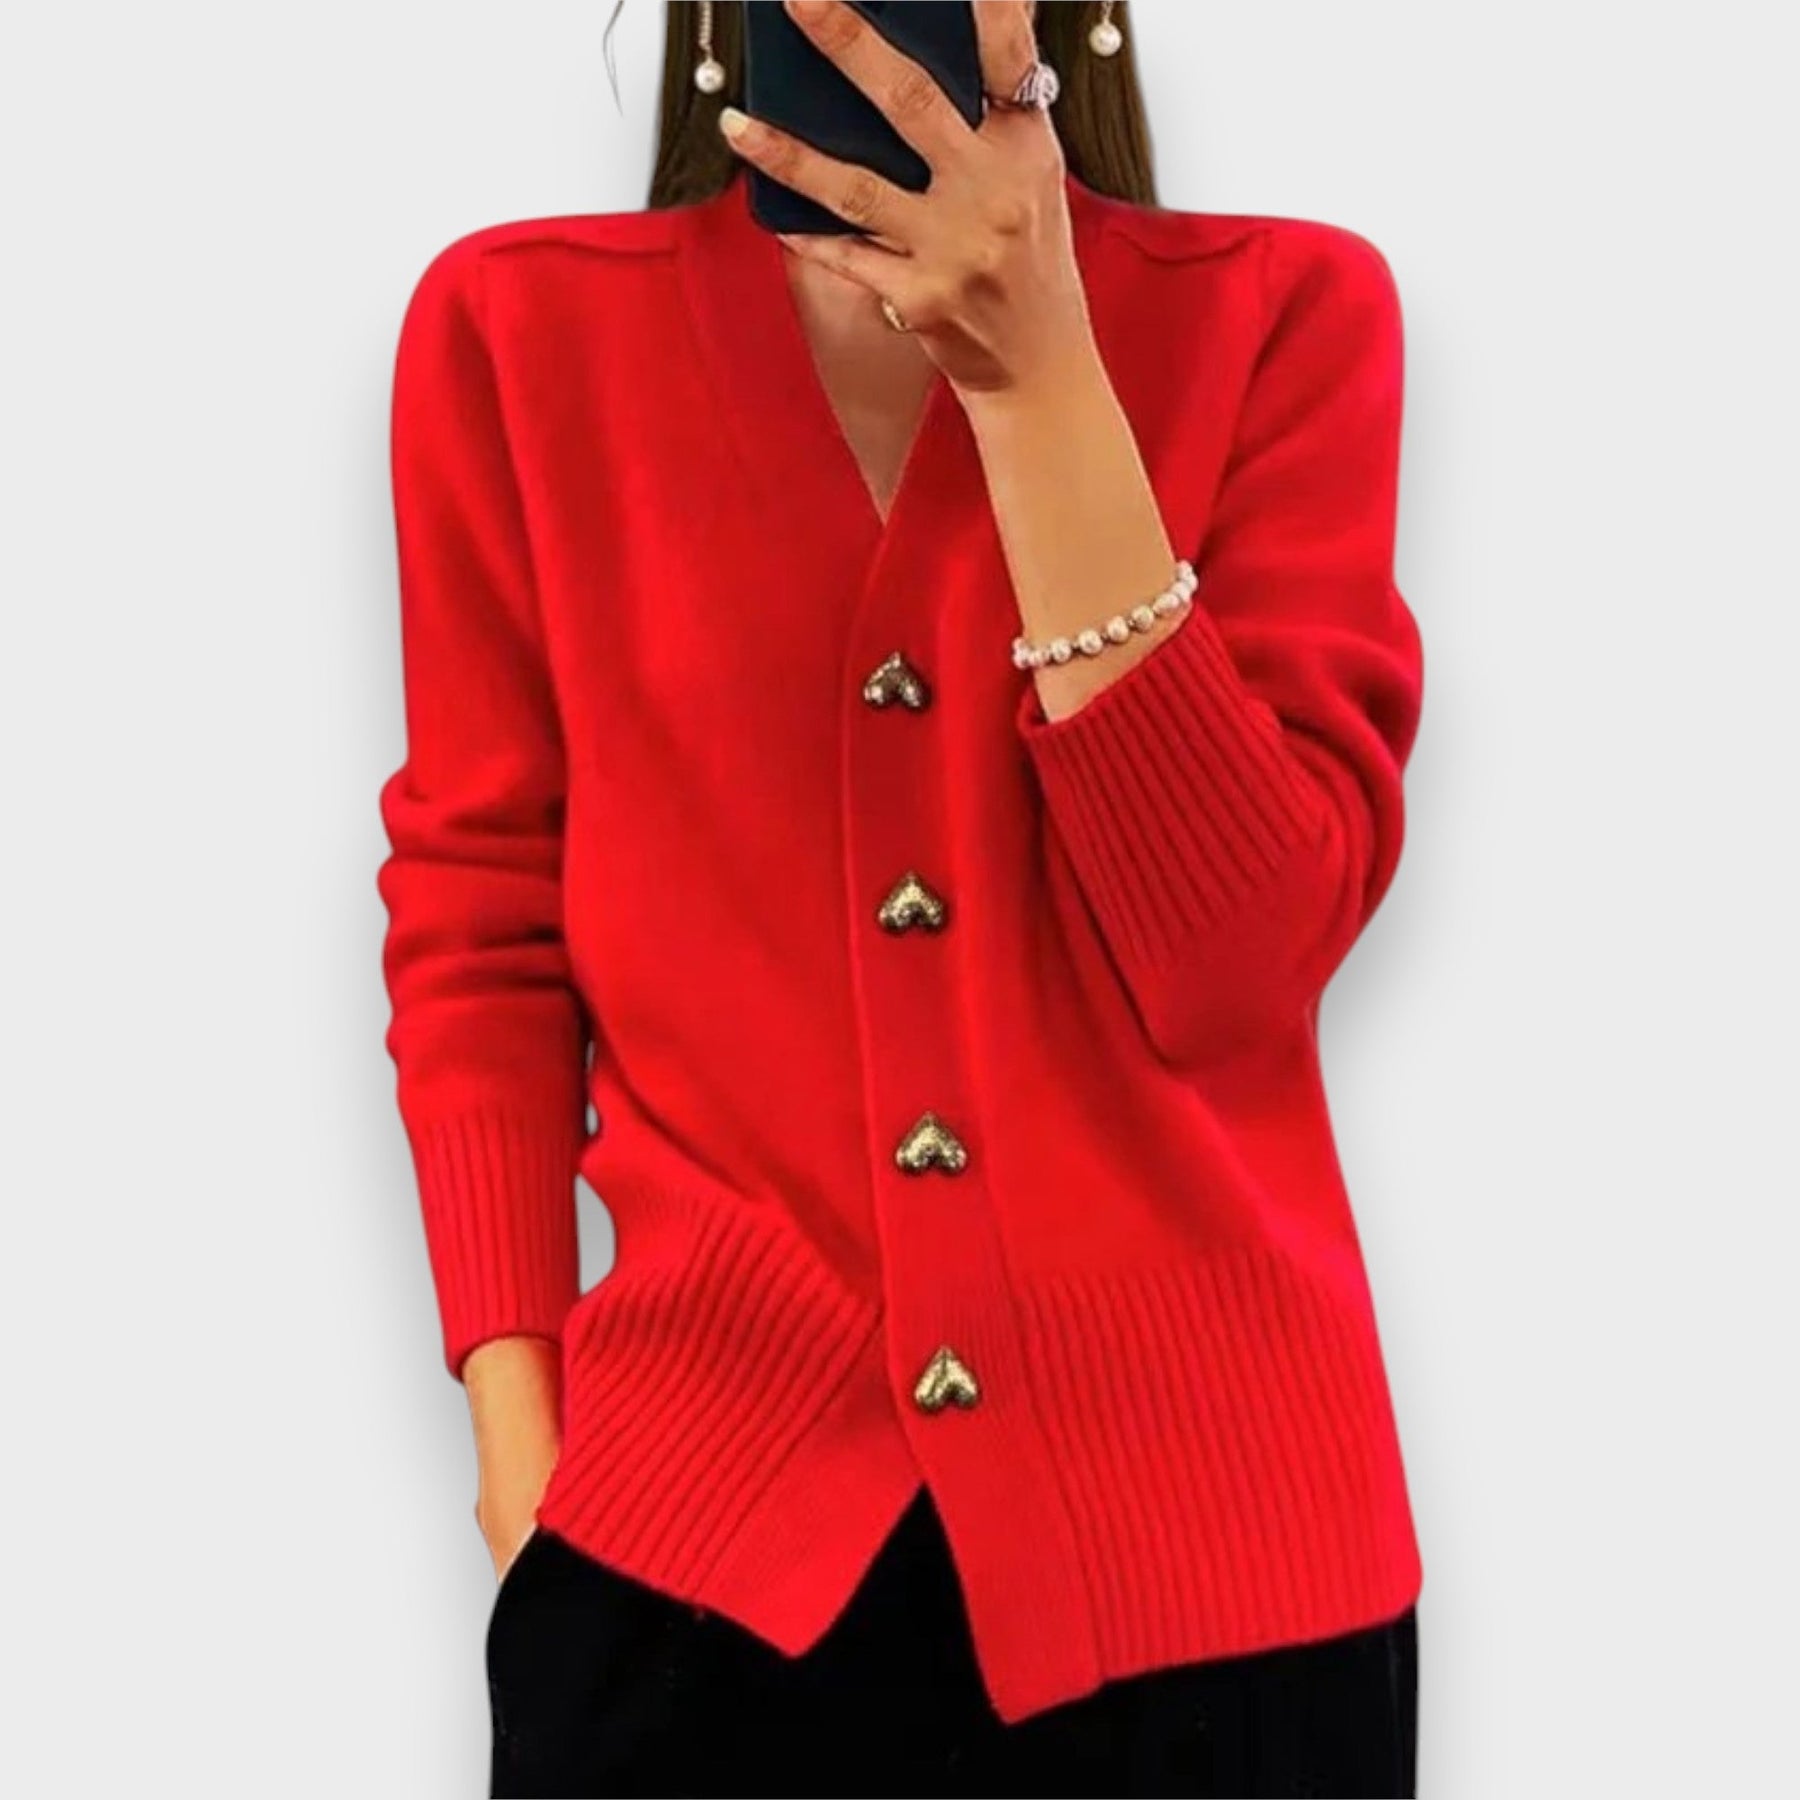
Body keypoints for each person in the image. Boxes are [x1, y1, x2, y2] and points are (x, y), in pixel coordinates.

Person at [374, 2, 1426, 1793]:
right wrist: (519, 1458)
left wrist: (1042, 380)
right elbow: (480, 921)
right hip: (682, 1579)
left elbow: (1233, 970)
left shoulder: (1284, 315)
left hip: (1226, 1600)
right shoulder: (516, 330)